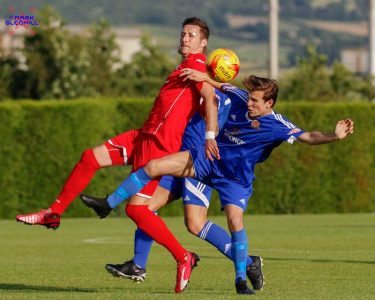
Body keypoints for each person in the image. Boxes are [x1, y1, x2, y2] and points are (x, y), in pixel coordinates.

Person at [82, 72, 354, 294]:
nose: (249, 103)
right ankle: (110, 204)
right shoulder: (237, 99)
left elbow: (308, 137)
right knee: (155, 174)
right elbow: (217, 83)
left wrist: (334, 135)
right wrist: (197, 72)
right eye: (250, 98)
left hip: (234, 179)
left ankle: (242, 273)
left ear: (269, 104)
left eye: (256, 101)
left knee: (230, 221)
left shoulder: (277, 125)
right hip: (206, 164)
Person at [16, 17, 218, 294]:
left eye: (192, 35)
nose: (185, 39)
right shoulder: (184, 66)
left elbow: (210, 98)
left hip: (159, 146)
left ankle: (184, 257)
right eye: (183, 34)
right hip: (142, 136)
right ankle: (54, 213)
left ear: (203, 42)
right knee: (90, 158)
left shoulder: (196, 64)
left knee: (137, 210)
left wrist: (210, 134)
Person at [99, 88, 264, 293]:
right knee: (145, 208)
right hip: (177, 161)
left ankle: (249, 262)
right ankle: (138, 265)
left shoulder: (218, 96)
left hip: (198, 167)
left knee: (195, 224)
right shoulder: (193, 90)